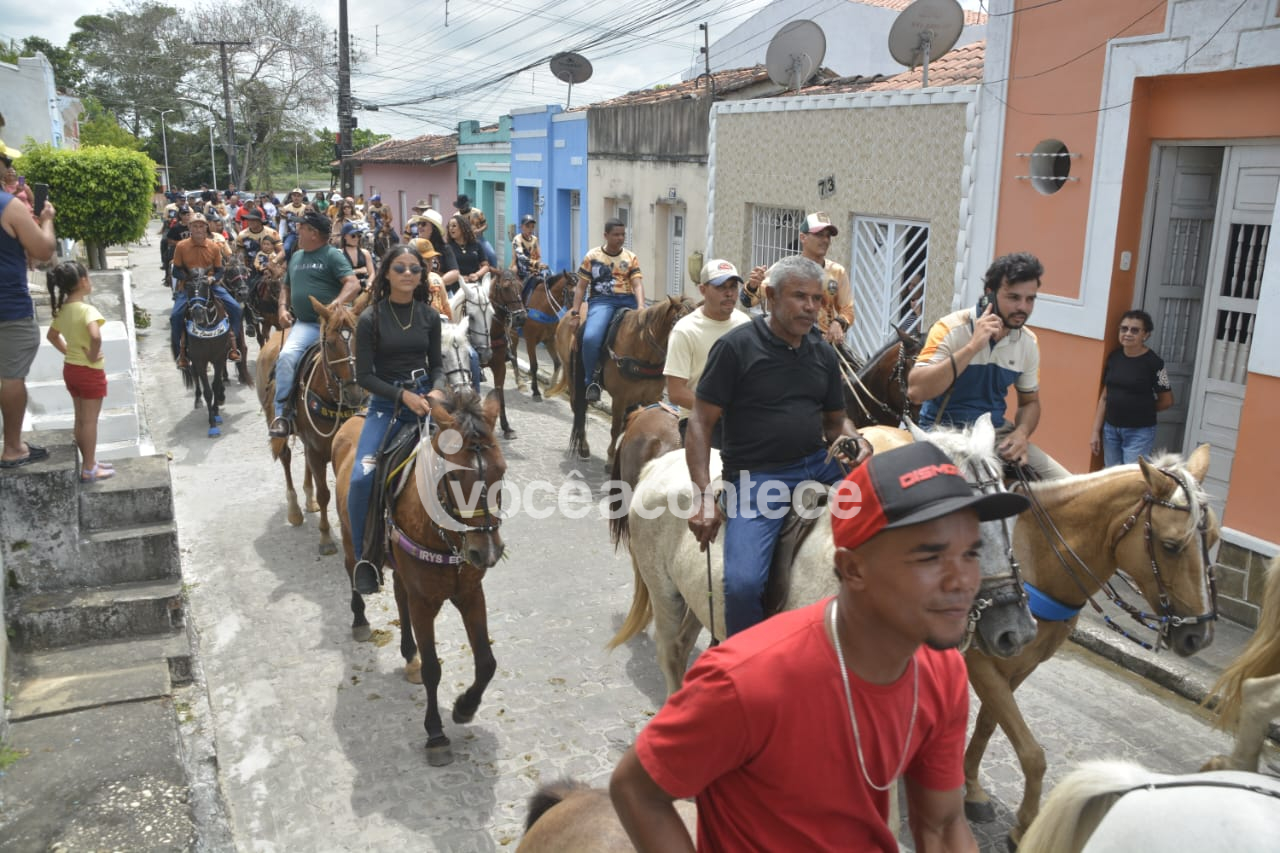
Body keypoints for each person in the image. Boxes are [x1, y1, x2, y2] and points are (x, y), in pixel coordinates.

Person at [610, 441, 1029, 853]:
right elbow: (636, 790)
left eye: (970, 553)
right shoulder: (744, 680)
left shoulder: (945, 673)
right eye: (929, 557)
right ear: (853, 569)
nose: (962, 581)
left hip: (814, 463)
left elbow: (943, 825)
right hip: (759, 472)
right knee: (743, 582)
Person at [686, 255, 871, 637]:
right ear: (770, 296)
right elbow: (700, 423)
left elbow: (835, 422)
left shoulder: (822, 352)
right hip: (757, 480)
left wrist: (855, 440)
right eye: (799, 296)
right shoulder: (736, 348)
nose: (811, 307)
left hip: (819, 464)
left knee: (894, 518)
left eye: (817, 299)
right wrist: (703, 495)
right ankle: (745, 658)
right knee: (743, 585)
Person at [907, 251, 1069, 480]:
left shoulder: (1028, 343)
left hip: (995, 435)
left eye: (1030, 299)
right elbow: (916, 392)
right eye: (1013, 297)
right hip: (943, 434)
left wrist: (1021, 433)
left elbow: (1030, 403)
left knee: (1069, 485)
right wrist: (972, 347)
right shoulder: (949, 328)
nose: (1023, 307)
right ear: (989, 294)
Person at [347, 244, 447, 595]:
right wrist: (402, 396)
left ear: (422, 276)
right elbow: (364, 376)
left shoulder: (429, 316)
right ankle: (365, 559)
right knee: (361, 479)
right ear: (386, 273)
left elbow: (437, 365)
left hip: (426, 400)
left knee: (470, 460)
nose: (408, 274)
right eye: (400, 268)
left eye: (415, 269)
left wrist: (436, 390)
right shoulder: (369, 319)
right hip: (386, 407)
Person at [270, 210, 362, 438]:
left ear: (313, 232)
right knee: (286, 357)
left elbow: (353, 284)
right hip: (307, 324)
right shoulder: (296, 257)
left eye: (301, 227)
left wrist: (336, 304)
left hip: (335, 326)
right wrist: (282, 308)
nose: (297, 231)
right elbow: (286, 287)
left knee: (364, 354)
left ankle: (376, 404)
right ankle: (283, 414)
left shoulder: (332, 255)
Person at [0, 145, 57, 469]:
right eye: (6, 161)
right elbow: (44, 250)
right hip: (7, 307)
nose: (10, 167)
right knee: (11, 376)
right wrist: (46, 220)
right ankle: (12, 448)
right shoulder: (8, 205)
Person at [664, 259, 750, 447]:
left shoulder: (745, 324)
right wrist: (723, 409)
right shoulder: (685, 331)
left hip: (743, 417)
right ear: (702, 290)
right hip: (700, 418)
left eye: (733, 287)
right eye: (721, 287)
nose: (729, 293)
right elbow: (676, 392)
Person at [44, 261, 114, 482]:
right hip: (90, 372)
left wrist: (70, 352)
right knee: (90, 421)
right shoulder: (87, 310)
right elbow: (95, 336)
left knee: (80, 419)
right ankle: (90, 467)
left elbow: (52, 336)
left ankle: (88, 461)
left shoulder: (63, 310)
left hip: (71, 369)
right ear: (83, 281)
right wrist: (92, 355)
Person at [741, 212, 853, 346]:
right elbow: (748, 301)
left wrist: (838, 323)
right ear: (803, 237)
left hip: (823, 344)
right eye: (819, 234)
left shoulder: (837, 272)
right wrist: (753, 285)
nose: (825, 240)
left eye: (828, 236)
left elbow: (848, 309)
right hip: (788, 342)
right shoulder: (786, 268)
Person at [572, 218, 644, 403]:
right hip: (602, 301)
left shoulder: (630, 257)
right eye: (616, 235)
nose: (620, 238)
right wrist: (575, 312)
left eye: (623, 235)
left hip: (627, 300)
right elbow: (581, 287)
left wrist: (641, 307)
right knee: (591, 338)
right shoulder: (592, 256)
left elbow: (637, 284)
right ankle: (591, 381)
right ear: (606, 235)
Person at [1090, 309, 1174, 466]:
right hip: (1111, 430)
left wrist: (1140, 409)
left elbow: (1167, 401)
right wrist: (1095, 431)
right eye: (1124, 329)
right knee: (1112, 475)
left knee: (1133, 476)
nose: (1128, 333)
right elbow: (1105, 397)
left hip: (1139, 432)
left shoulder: (1155, 363)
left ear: (1146, 335)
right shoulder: (1113, 358)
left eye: (1135, 330)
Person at [169, 213, 244, 368]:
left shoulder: (214, 246)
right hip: (189, 286)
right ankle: (180, 354)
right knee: (175, 316)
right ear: (189, 228)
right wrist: (189, 277)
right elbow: (175, 270)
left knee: (236, 308)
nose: (198, 229)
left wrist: (212, 279)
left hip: (210, 285)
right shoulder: (181, 246)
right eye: (195, 226)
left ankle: (233, 345)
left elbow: (219, 270)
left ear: (206, 228)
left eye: (201, 226)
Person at [445, 213, 489, 295]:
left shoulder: (476, 244)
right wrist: (459, 278)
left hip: (475, 285)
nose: (451, 228)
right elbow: (445, 270)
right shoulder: (447, 248)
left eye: (454, 226)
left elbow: (485, 266)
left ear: (463, 227)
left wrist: (477, 275)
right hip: (455, 288)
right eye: (449, 226)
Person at [338, 222, 375, 290]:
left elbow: (372, 273)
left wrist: (369, 284)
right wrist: (358, 270)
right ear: (345, 236)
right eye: (353, 236)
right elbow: (339, 274)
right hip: (346, 289)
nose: (356, 238)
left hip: (364, 288)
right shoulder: (339, 253)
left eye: (359, 236)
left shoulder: (365, 253)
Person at [511, 213, 543, 282]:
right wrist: (535, 264)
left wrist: (539, 264)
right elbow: (521, 257)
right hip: (519, 267)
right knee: (514, 270)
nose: (530, 229)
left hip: (532, 267)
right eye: (527, 226)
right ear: (522, 227)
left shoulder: (535, 239)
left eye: (532, 227)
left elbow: (538, 256)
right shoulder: (517, 239)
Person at [278, 188, 308, 257]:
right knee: (286, 248)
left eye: (298, 196)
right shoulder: (286, 208)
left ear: (302, 197)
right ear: (291, 196)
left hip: (304, 233)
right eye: (294, 195)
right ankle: (289, 262)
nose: (296, 198)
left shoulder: (306, 208)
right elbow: (282, 225)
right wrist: (280, 238)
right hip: (292, 233)